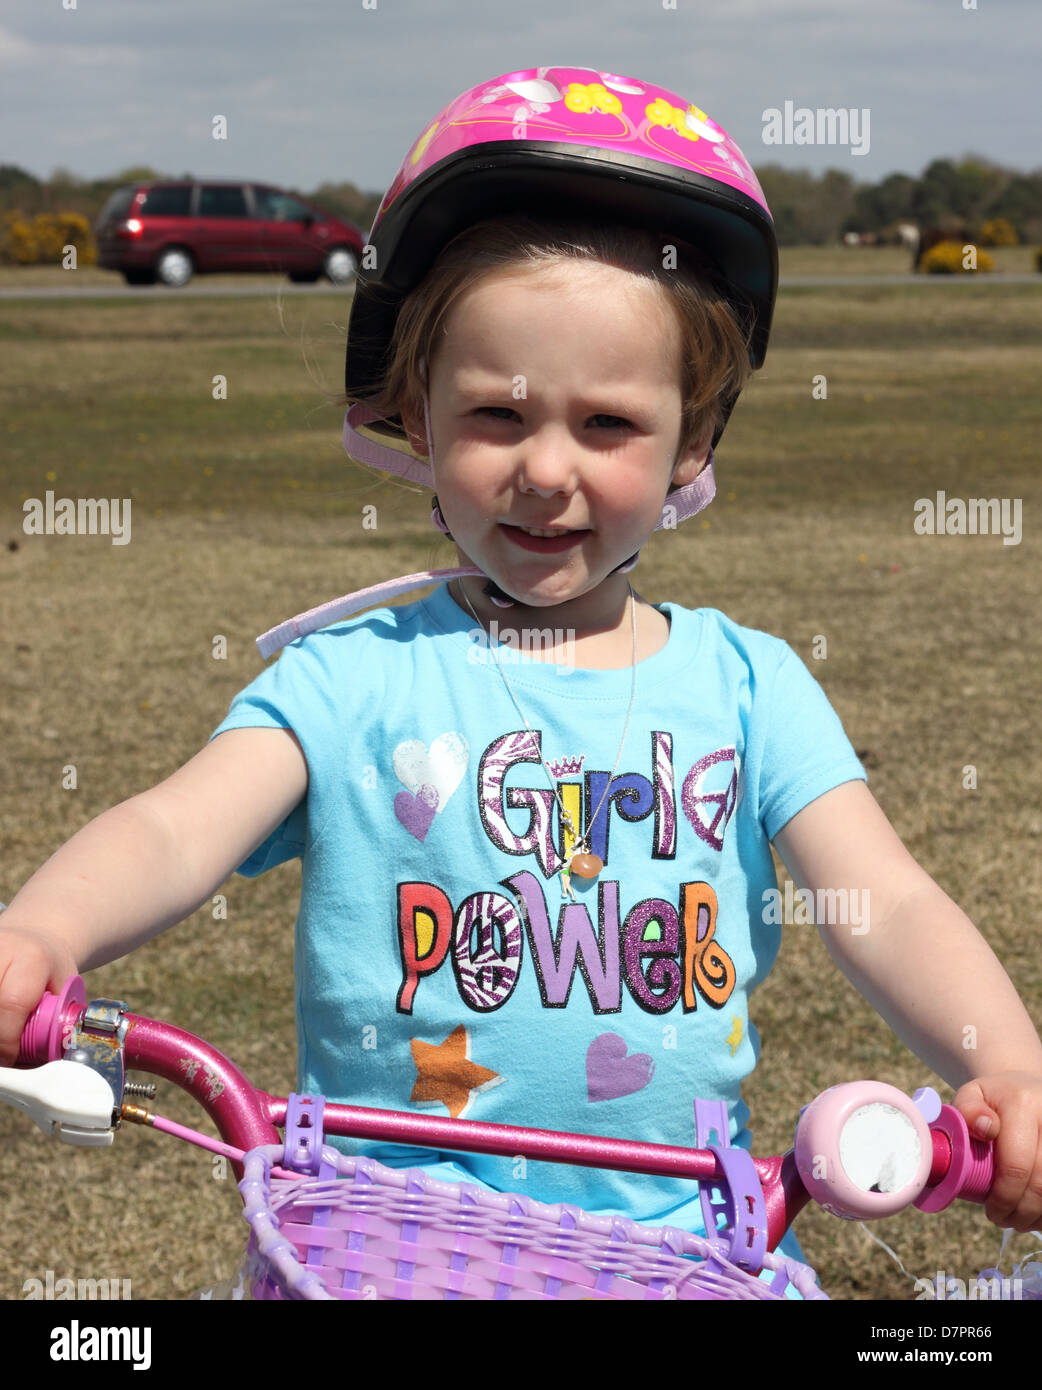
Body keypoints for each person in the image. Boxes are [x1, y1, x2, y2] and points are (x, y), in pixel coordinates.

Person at [2, 68, 1040, 1292]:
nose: (546, 470)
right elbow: (176, 827)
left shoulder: (750, 688)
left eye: (607, 425)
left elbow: (889, 903)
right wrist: (42, 928)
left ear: (691, 439)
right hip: (377, 1250)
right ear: (417, 418)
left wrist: (1009, 1068)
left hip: (683, 1253)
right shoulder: (350, 682)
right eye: (497, 413)